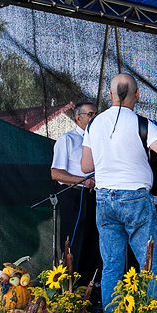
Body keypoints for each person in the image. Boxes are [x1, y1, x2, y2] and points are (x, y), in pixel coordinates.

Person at [81, 74, 157, 311]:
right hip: (135, 198)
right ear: (137, 95)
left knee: (111, 265)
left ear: (110, 96)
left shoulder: (94, 124)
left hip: (105, 199)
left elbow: (86, 166)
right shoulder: (142, 123)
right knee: (149, 264)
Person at [50, 100, 102, 285]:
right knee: (74, 242)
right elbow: (56, 173)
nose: (94, 117)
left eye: (96, 113)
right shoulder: (68, 139)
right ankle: (71, 289)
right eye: (90, 114)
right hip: (75, 194)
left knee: (93, 242)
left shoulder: (99, 140)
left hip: (96, 195)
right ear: (78, 117)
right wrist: (81, 181)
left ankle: (89, 289)